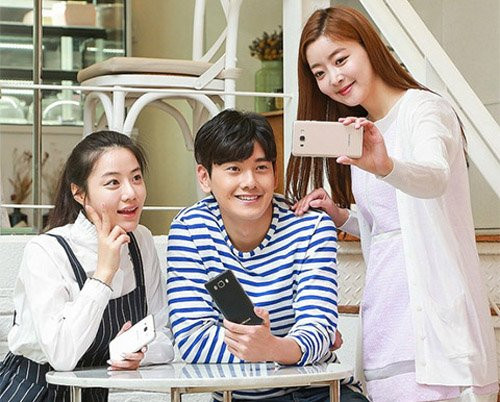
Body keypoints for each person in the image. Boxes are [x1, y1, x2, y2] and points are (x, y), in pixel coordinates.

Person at [287, 6, 498, 402]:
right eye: (319, 72)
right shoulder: (363, 131)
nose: (334, 78)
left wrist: (386, 166)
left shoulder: (425, 110)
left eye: (340, 59)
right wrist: (341, 216)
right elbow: (389, 222)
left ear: (369, 48)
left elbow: (434, 176)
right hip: (387, 313)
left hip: (431, 319)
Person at [166, 109, 368, 402]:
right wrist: (279, 349)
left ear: (274, 173)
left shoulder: (310, 226)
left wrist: (271, 347)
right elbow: (192, 339)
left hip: (317, 391)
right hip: (239, 396)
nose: (250, 181)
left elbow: (319, 328)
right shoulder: (190, 229)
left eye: (261, 167)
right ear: (204, 177)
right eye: (234, 169)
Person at [0, 131, 174, 401]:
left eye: (136, 178)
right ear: (79, 193)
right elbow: (62, 355)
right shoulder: (46, 251)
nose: (131, 193)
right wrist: (103, 275)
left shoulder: (141, 241)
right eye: (113, 182)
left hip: (91, 394)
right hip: (33, 391)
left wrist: (136, 352)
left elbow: (162, 335)